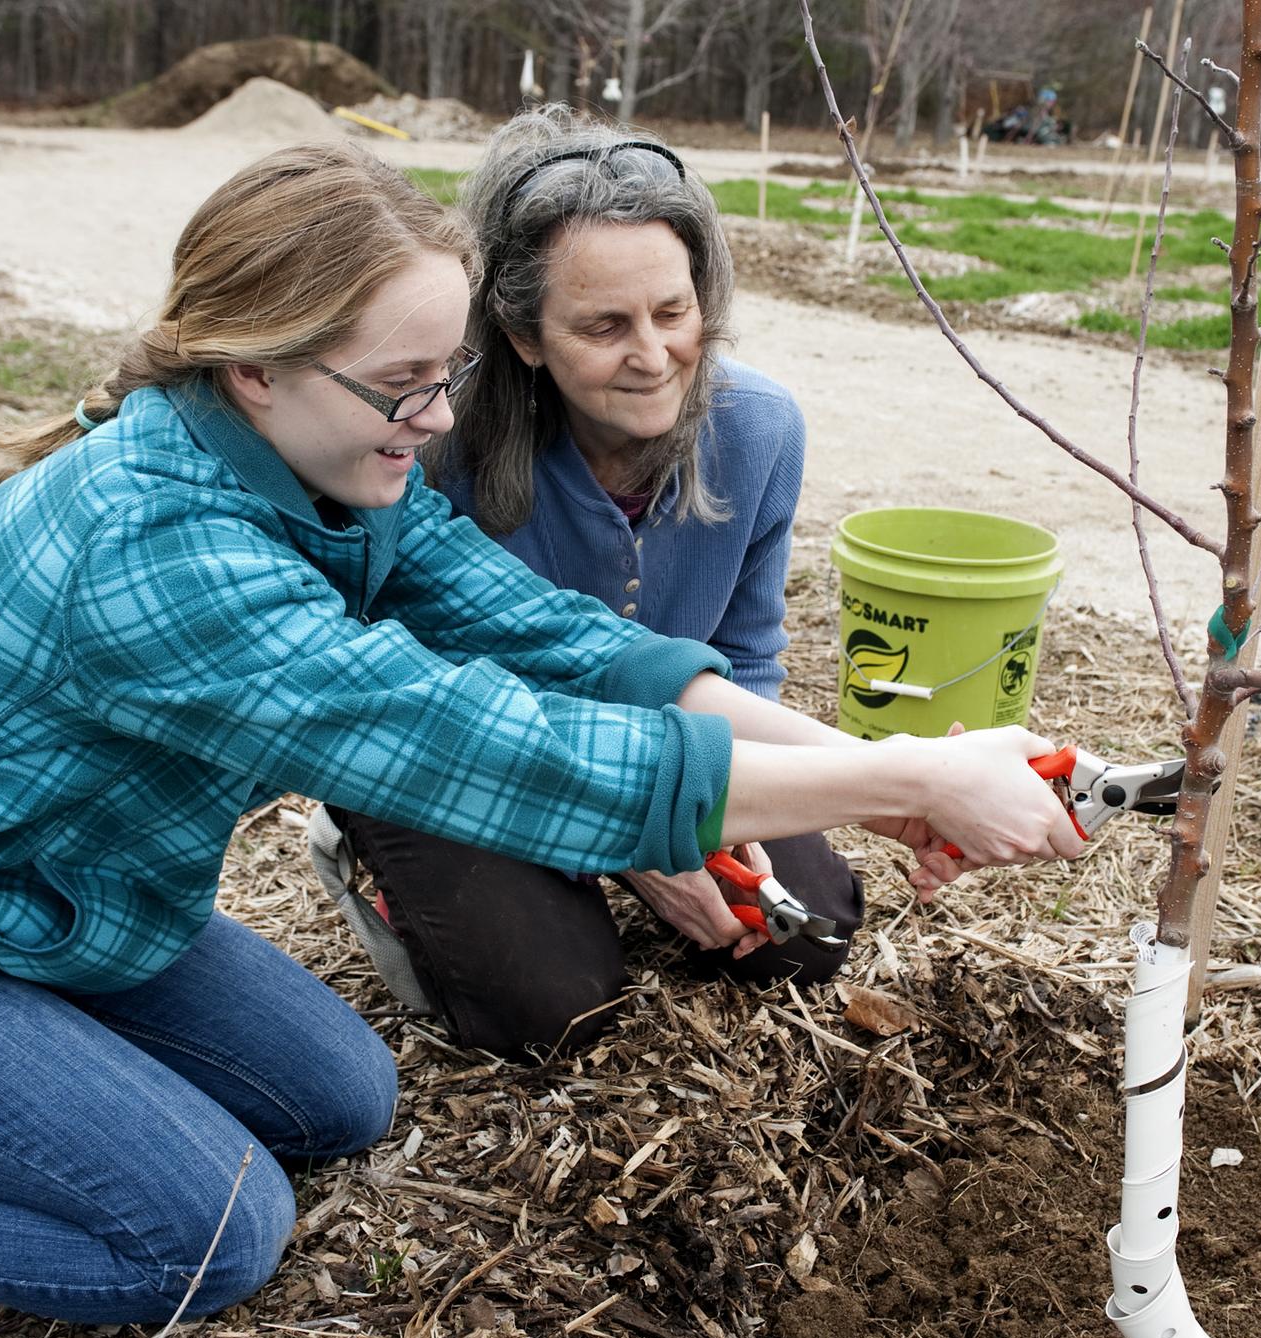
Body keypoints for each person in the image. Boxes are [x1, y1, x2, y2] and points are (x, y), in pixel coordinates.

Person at [0, 141, 1079, 1338]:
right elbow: (507, 749)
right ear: (254, 366)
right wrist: (906, 773)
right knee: (205, 1232)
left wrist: (878, 782)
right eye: (406, 384)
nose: (438, 417)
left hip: (64, 891)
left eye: (443, 375)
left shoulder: (335, 468)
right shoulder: (162, 552)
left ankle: (12, 1074)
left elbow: (569, 645)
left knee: (338, 1101)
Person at [311, 108, 854, 1059]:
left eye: (674, 312)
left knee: (813, 929)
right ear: (523, 334)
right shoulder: (438, 449)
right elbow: (428, 697)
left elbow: (745, 652)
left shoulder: (761, 429)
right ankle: (378, 858)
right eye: (604, 325)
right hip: (468, 755)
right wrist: (641, 837)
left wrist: (706, 810)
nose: (652, 356)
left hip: (657, 741)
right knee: (554, 1011)